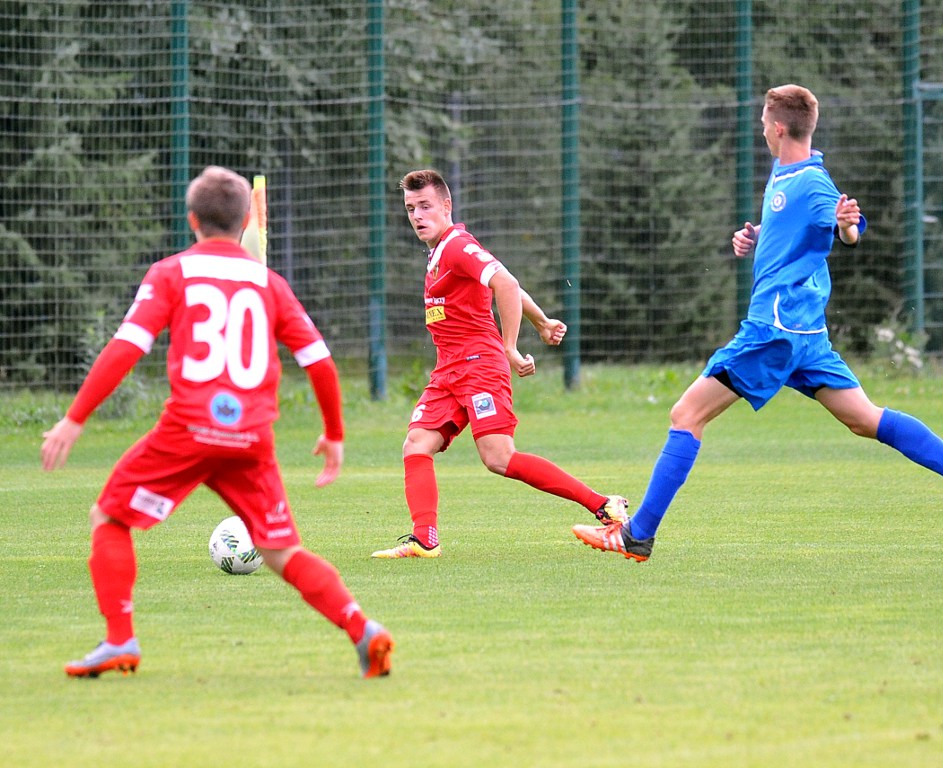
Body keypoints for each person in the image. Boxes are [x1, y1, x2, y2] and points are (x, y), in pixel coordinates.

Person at [572, 84, 943, 562]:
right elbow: (799, 228)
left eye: (763, 122)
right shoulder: (787, 171)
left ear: (778, 127)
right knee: (865, 420)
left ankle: (637, 535)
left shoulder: (812, 183)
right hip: (806, 333)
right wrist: (758, 236)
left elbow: (846, 228)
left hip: (774, 330)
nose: (760, 129)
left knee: (686, 415)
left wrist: (847, 225)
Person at [41, 166, 393, 678]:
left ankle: (120, 640)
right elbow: (319, 361)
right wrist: (334, 433)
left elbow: (126, 347)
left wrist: (75, 419)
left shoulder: (170, 273)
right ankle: (363, 628)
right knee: (281, 551)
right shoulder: (270, 283)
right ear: (246, 220)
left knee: (110, 518)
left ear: (192, 220)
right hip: (250, 438)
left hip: (186, 431)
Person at [371, 169, 627, 558]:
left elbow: (505, 284)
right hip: (449, 370)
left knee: (499, 457)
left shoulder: (457, 246)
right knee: (416, 444)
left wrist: (510, 348)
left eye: (425, 206)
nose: (418, 216)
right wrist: (541, 321)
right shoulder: (440, 252)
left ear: (446, 206)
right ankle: (424, 539)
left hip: (478, 366)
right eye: (410, 209)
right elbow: (504, 283)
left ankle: (604, 505)